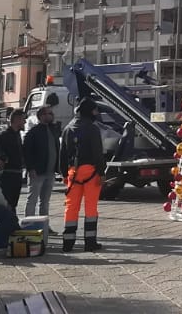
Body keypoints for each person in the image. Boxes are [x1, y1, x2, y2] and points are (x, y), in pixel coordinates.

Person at [60, 97, 106, 252]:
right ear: (89, 111)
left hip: (73, 172)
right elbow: (98, 152)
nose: (96, 112)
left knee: (71, 207)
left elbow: (63, 153)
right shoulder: (92, 129)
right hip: (90, 171)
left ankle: (68, 242)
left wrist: (64, 173)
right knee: (90, 208)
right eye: (95, 110)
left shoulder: (68, 128)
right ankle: (90, 242)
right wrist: (101, 172)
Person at [22, 104, 62, 227]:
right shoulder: (33, 133)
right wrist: (30, 168)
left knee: (45, 202)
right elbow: (27, 152)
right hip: (37, 172)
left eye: (51, 113)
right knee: (32, 200)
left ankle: (44, 227)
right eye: (48, 113)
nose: (51, 116)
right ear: (41, 116)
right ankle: (29, 225)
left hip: (50, 172)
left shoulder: (53, 131)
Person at [0, 108, 27, 211]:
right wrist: (0, 159)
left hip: (17, 175)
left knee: (13, 204)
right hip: (8, 176)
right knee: (7, 204)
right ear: (17, 120)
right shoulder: (5, 135)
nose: (25, 122)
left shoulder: (17, 135)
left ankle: (12, 224)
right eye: (23, 119)